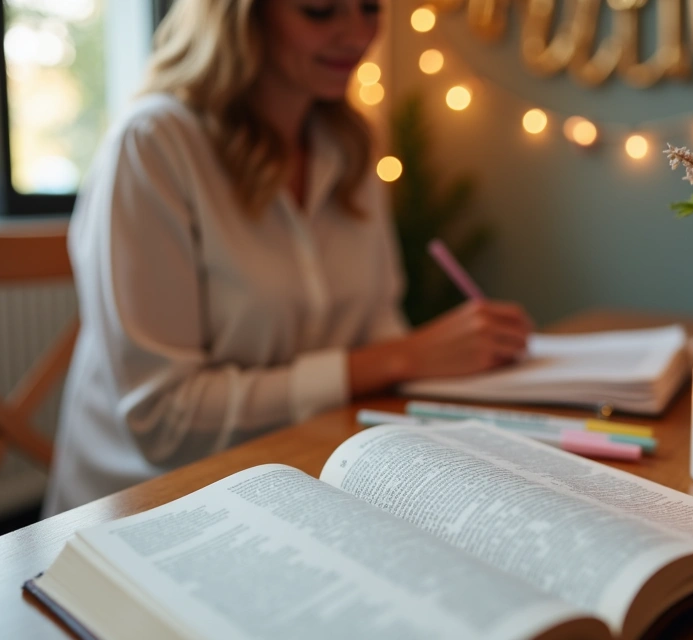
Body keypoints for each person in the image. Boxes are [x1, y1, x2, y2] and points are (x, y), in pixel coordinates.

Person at [43, 0, 533, 515]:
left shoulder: (348, 147)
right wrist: (400, 358)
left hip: (300, 480)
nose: (357, 34)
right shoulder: (154, 145)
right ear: (241, 18)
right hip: (155, 510)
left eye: (370, 8)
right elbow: (166, 423)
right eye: (320, 11)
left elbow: (377, 328)